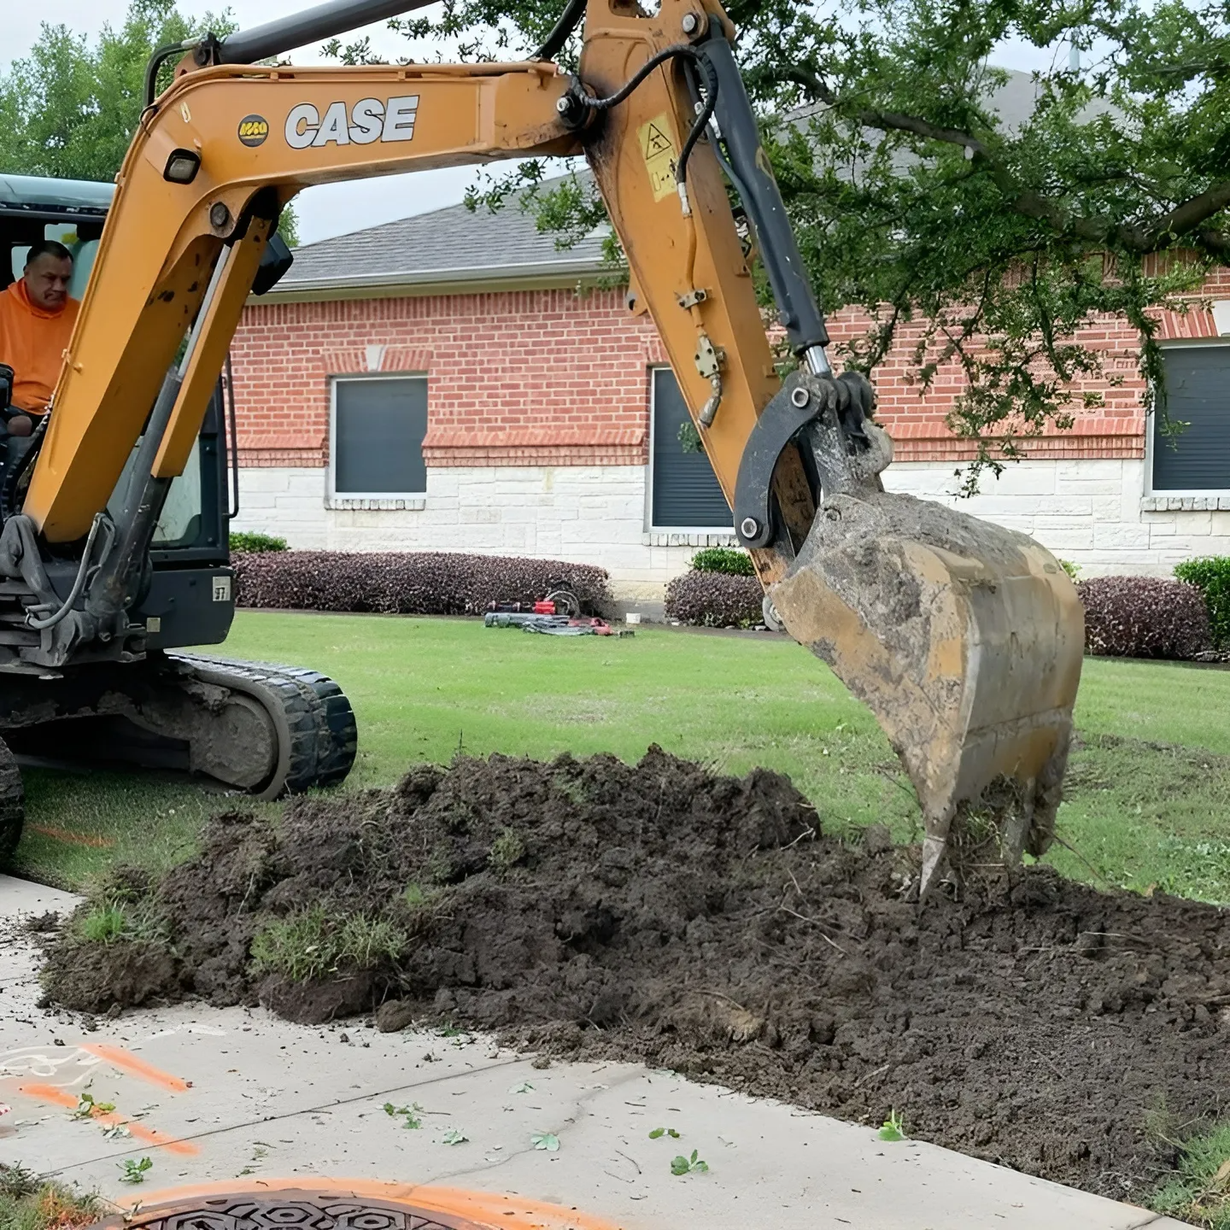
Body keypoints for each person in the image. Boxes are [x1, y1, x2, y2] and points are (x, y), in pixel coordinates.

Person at [0, 241, 80, 434]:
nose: (59, 287)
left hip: (64, 413)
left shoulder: (82, 315)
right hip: (8, 410)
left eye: (65, 279)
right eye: (50, 278)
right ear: (26, 273)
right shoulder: (2, 307)